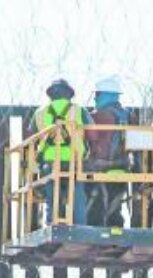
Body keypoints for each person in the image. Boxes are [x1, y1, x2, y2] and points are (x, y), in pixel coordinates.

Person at [32, 78, 90, 226]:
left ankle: (53, 223)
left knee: (53, 194)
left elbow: (30, 138)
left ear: (50, 95)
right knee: (78, 194)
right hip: (74, 161)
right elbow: (94, 134)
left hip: (50, 163)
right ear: (69, 94)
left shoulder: (39, 113)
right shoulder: (78, 110)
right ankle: (79, 226)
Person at [85, 75, 132, 227]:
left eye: (97, 95)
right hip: (123, 168)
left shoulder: (98, 116)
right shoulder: (128, 116)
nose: (95, 98)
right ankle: (115, 232)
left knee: (95, 206)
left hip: (100, 168)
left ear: (106, 95)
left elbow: (90, 139)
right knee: (114, 206)